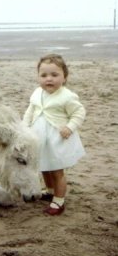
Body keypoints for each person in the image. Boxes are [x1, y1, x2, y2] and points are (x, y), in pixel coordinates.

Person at [23, 54, 86, 215]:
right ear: (38, 77)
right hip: (39, 138)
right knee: (44, 167)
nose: (48, 79)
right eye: (43, 75)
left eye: (54, 75)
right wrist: (24, 127)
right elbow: (30, 112)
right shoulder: (37, 93)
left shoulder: (67, 96)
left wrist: (70, 127)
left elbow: (79, 112)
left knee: (57, 171)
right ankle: (49, 191)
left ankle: (59, 200)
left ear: (64, 77)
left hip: (57, 139)